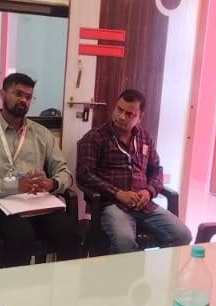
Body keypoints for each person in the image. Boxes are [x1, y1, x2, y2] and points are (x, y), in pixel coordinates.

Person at [0, 73, 80, 267]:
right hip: (4, 205)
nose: (23, 100)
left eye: (28, 97)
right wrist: (15, 186)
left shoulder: (41, 133)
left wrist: (52, 183)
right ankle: (18, 286)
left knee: (70, 231)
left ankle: (64, 283)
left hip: (39, 203)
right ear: (2, 94)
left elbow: (64, 172)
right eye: (18, 94)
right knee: (21, 234)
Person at [76, 89, 192, 253]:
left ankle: (159, 268)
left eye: (130, 114)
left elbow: (156, 170)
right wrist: (118, 193)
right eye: (119, 109)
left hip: (143, 203)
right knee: (125, 242)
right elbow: (85, 175)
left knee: (183, 235)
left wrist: (148, 191)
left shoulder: (144, 137)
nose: (122, 116)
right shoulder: (96, 137)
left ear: (140, 117)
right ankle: (124, 270)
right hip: (113, 204)